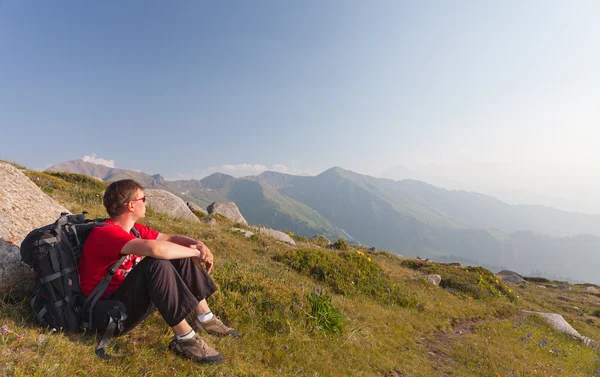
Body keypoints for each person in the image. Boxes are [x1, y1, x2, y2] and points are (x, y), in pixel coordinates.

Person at [78, 179, 236, 364]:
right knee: (157, 264)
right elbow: (156, 250)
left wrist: (198, 245)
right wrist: (195, 253)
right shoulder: (105, 234)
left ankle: (205, 318)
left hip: (122, 304)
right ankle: (185, 340)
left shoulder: (135, 230)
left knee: (177, 252)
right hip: (107, 316)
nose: (146, 203)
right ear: (131, 205)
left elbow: (169, 239)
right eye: (143, 199)